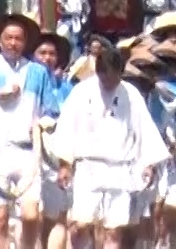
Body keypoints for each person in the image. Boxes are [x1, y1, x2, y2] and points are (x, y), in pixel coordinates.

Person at [49, 46, 169, 249]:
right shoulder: (82, 91)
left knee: (114, 229)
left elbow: (144, 130)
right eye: (104, 76)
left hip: (120, 168)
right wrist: (65, 164)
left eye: (114, 77)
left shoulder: (131, 94)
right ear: (98, 72)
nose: (108, 82)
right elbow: (67, 126)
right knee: (81, 224)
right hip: (88, 166)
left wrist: (148, 164)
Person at [0, 13, 62, 249]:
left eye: (18, 38)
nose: (13, 43)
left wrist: (44, 123)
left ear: (25, 42)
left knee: (30, 214)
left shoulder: (37, 72)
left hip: (28, 151)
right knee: (0, 219)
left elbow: (51, 110)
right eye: (9, 38)